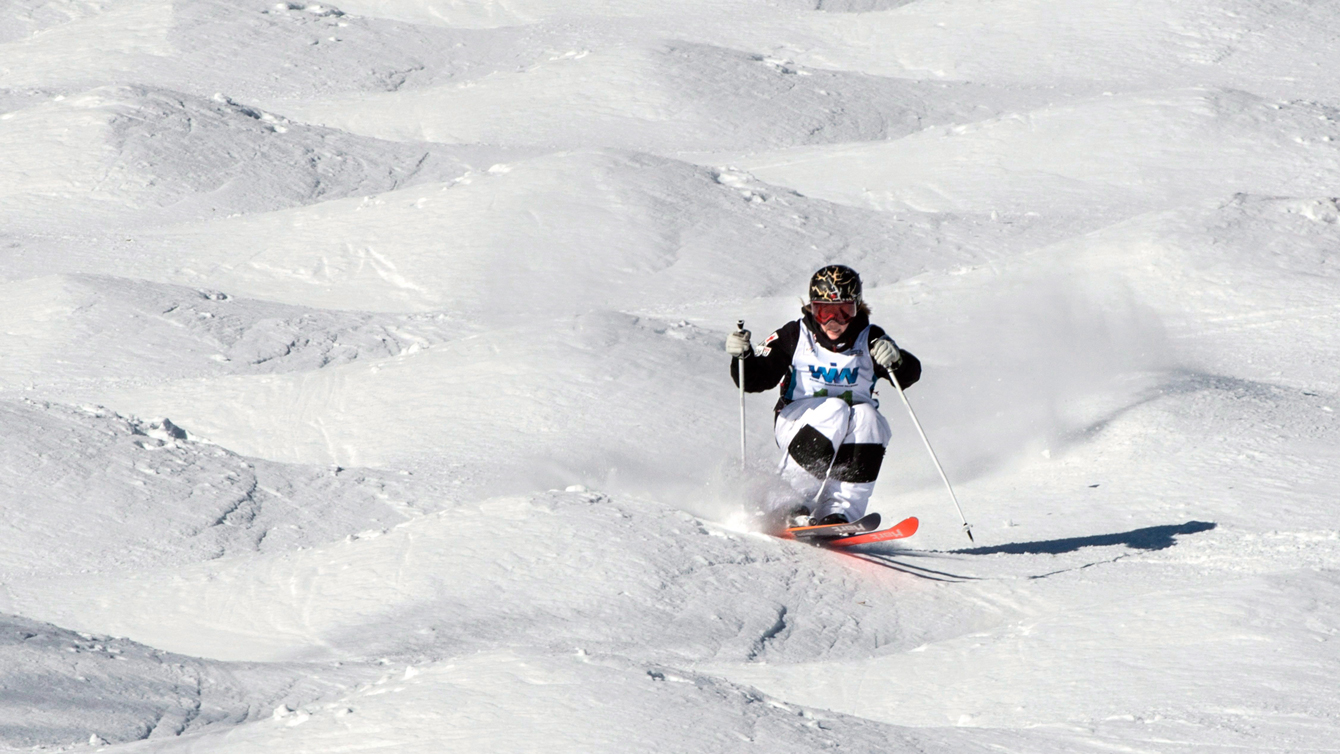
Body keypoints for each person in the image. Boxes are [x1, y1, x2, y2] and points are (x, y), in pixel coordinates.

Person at [727, 265, 920, 528]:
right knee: (835, 409)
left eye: (843, 312)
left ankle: (840, 513)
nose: (834, 322)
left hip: (850, 429)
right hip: (798, 421)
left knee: (869, 417)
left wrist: (896, 360)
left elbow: (908, 376)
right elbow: (755, 380)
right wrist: (744, 357)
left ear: (857, 307)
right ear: (812, 309)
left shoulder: (869, 338)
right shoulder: (795, 335)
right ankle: (785, 501)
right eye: (824, 312)